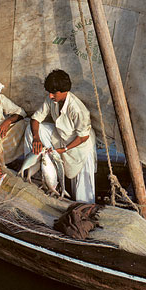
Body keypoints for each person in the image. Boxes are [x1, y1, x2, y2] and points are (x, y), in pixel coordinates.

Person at [25, 69, 96, 203]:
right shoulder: (51, 99)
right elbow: (35, 119)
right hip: (61, 136)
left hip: (80, 145)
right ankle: (34, 173)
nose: (51, 96)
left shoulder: (77, 109)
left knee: (83, 189)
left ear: (64, 90)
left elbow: (83, 137)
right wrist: (36, 138)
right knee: (30, 129)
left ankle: (84, 210)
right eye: (50, 92)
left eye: (54, 93)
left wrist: (63, 150)